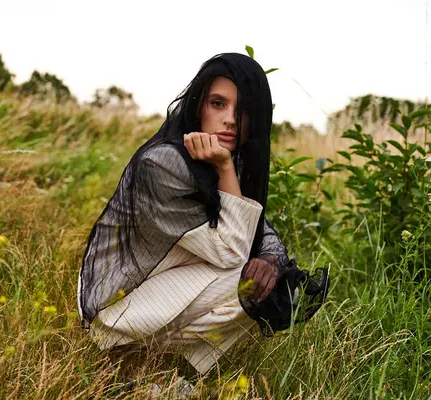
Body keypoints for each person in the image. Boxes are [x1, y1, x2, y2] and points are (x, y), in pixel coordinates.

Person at [77, 53, 329, 377]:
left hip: (160, 292)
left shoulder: (224, 158)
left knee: (270, 278)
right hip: (116, 307)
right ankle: (126, 353)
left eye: (243, 109)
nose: (231, 120)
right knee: (247, 277)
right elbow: (233, 250)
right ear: (199, 106)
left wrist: (271, 259)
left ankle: (181, 377)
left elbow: (259, 231)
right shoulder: (164, 164)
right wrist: (224, 168)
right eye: (218, 104)